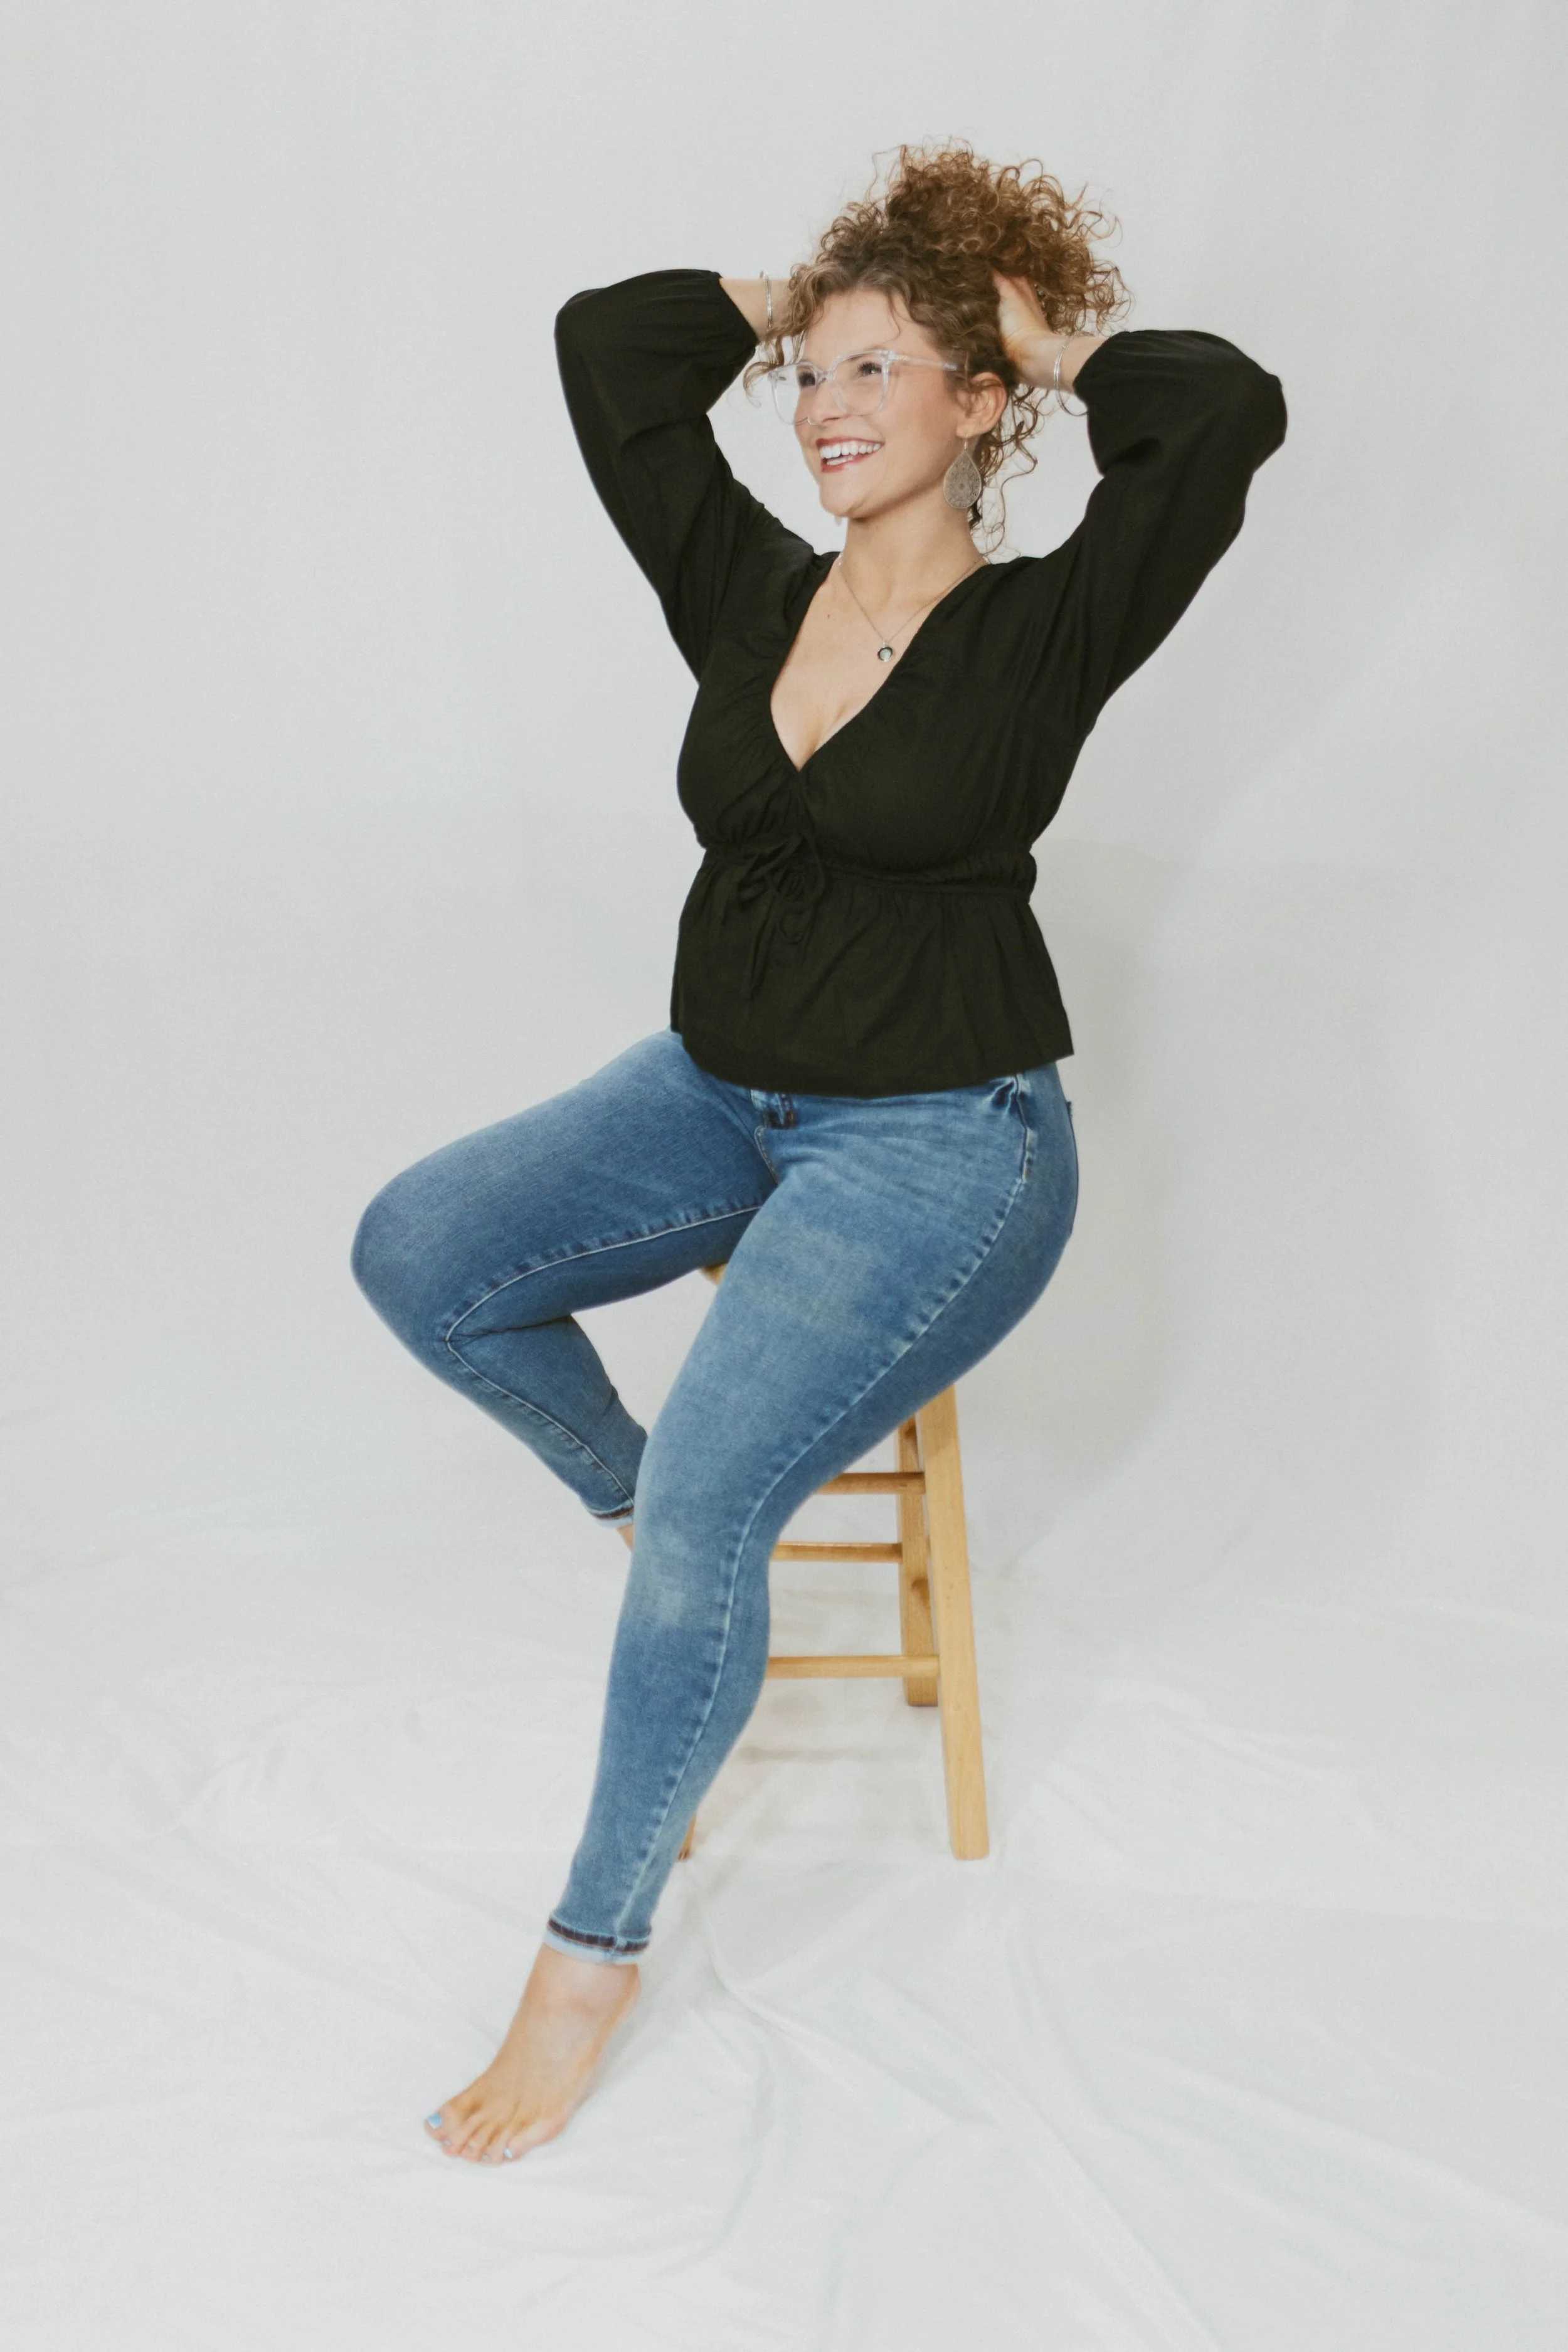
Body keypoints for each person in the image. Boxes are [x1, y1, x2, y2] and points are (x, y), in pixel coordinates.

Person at [351, 141, 1287, 2166]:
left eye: (884, 373)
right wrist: (818, 293)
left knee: (720, 1498)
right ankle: (648, 1518)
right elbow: (607, 350)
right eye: (811, 377)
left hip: (943, 1141)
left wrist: (1038, 336)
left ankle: (585, 1958)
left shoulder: (1049, 625)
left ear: (980, 403)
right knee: (422, 1249)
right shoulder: (745, 582)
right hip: (715, 1087)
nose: (828, 409)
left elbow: (1219, 413)